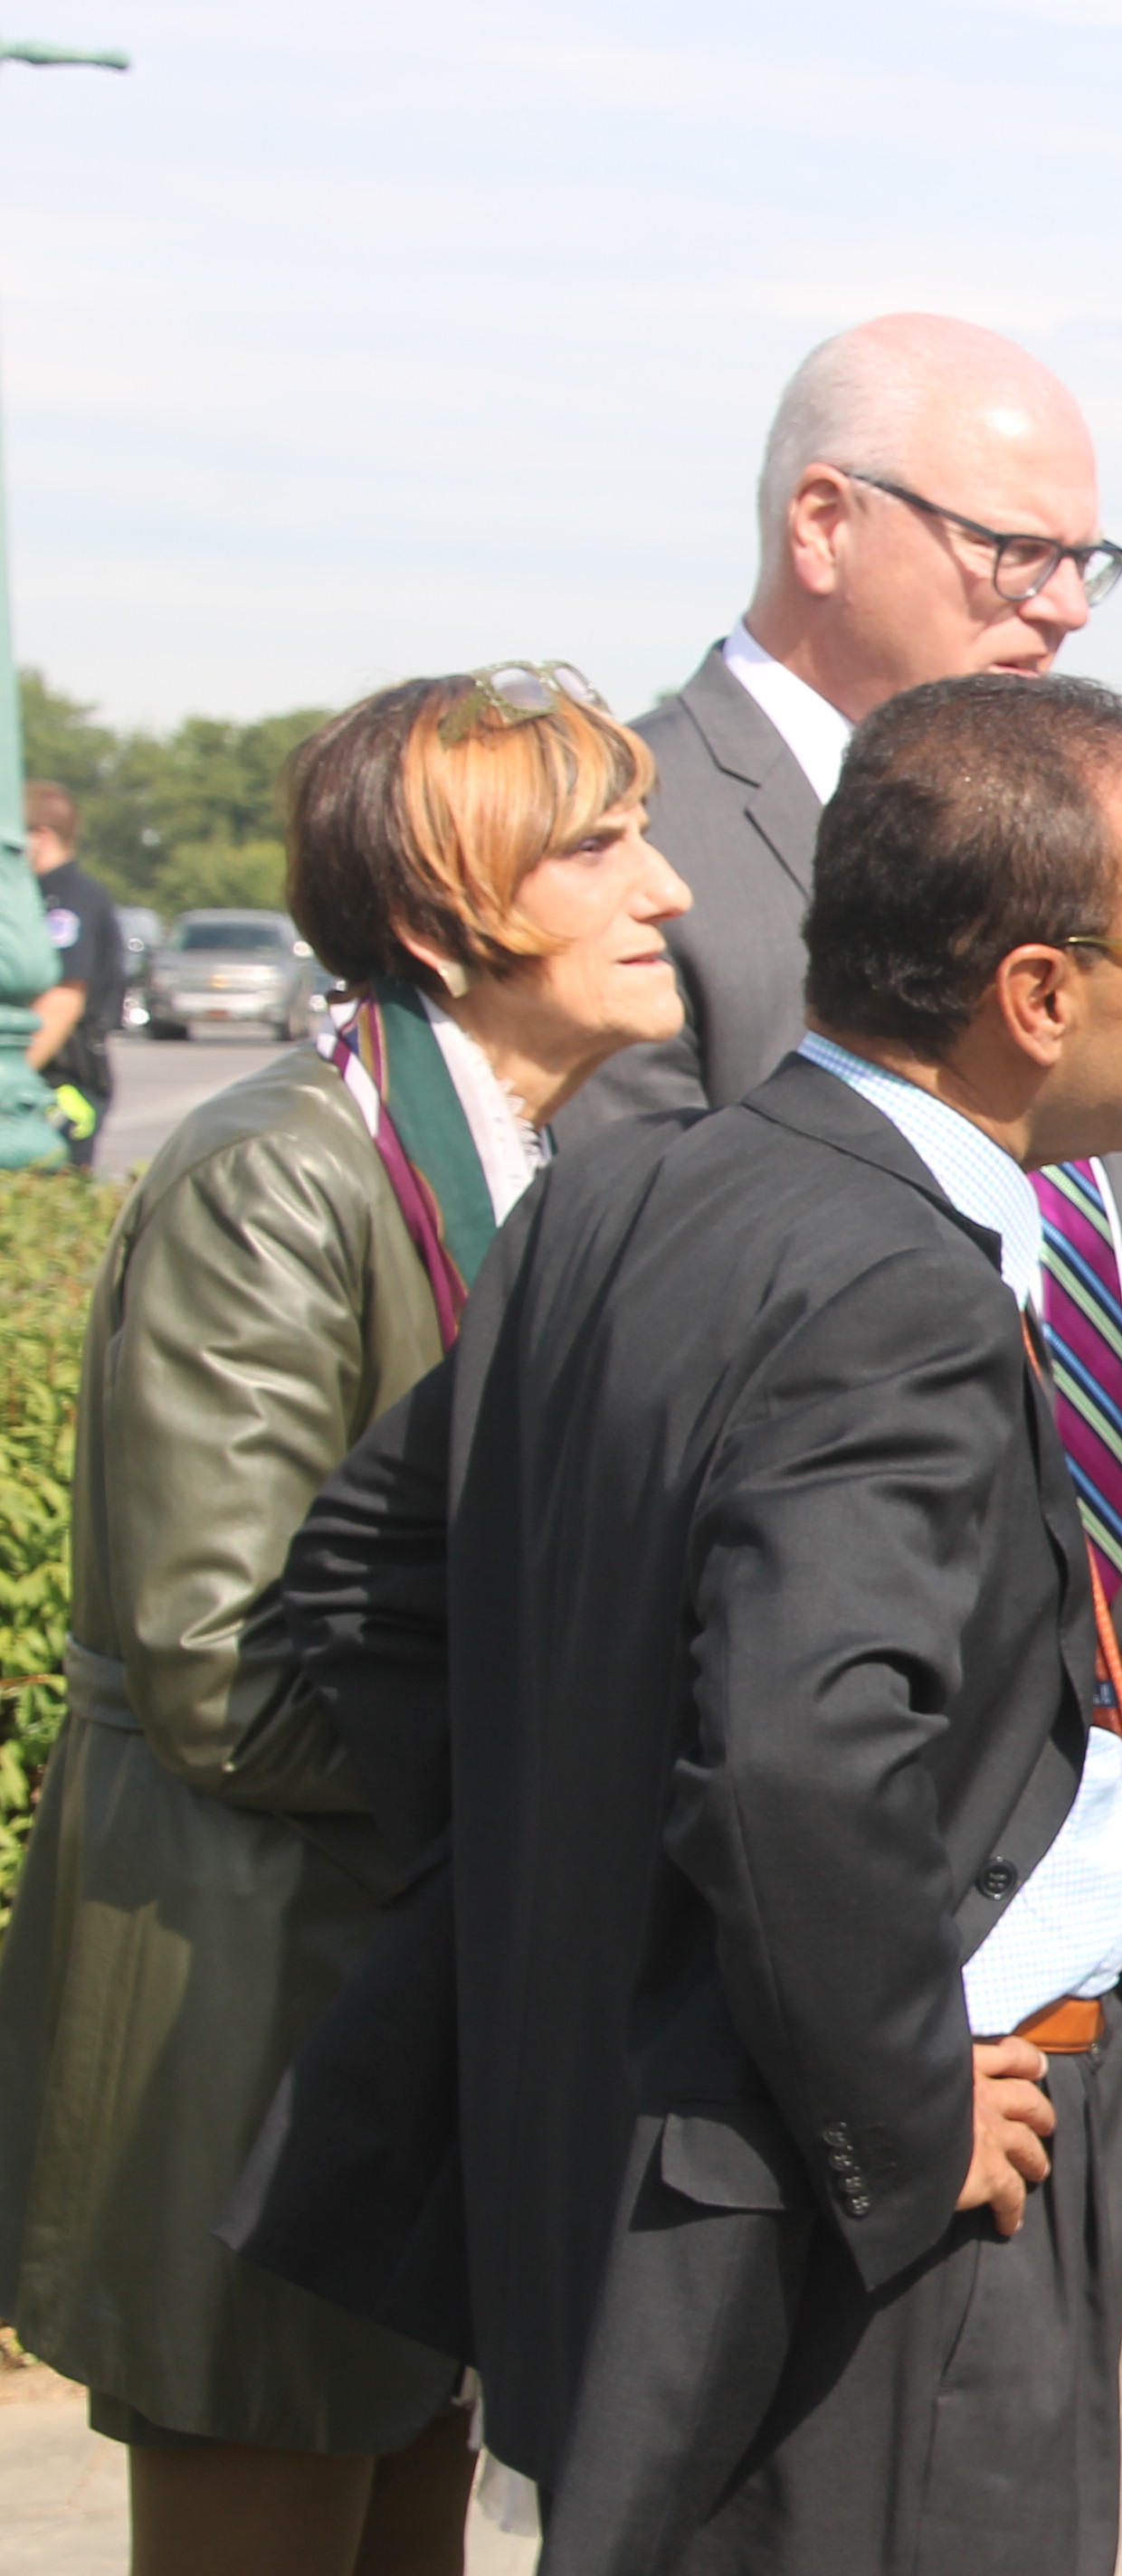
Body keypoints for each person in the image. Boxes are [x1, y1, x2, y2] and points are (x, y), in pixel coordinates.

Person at [240, 674, 1122, 2576]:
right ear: (1039, 992)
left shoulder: (618, 1195)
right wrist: (900, 2097)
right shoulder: (896, 1282)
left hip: (638, 2169)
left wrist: (589, 1930)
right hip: (848, 2245)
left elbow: (365, 1592)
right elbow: (791, 1751)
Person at [0, 665, 689, 2575]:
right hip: (257, 2043)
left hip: (404, 2024)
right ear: (432, 915)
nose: (671, 890)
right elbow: (228, 1669)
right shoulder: (276, 1175)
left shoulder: (526, 1165)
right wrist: (602, 1779)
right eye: (599, 846)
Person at [557, 309, 1122, 1772]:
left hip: (1099, 1736)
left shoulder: (1099, 829)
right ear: (824, 522)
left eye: (1087, 563)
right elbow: (638, 1359)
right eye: (1015, 552)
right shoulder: (632, 842)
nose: (1062, 606)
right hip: (812, 1757)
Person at [22, 781, 124, 1167]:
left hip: (61, 1083)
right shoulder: (35, 893)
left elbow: (64, 999)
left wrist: (11, 1074)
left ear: (41, 836)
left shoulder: (66, 899)